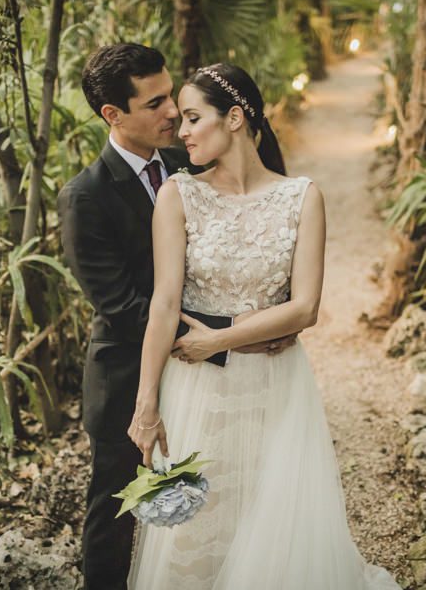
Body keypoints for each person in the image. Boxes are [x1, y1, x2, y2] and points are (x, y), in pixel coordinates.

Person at [126, 63, 403, 589]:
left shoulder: (301, 197)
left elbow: (305, 309)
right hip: (196, 388)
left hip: (277, 384)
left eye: (191, 118)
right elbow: (164, 305)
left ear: (234, 118)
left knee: (271, 518)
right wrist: (147, 404)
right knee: (196, 526)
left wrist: (219, 339)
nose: (179, 133)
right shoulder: (179, 195)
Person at [58, 44, 291, 590]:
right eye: (156, 101)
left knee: (216, 497)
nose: (172, 113)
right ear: (113, 115)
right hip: (126, 377)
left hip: (212, 376)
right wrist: (228, 334)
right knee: (117, 513)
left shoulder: (192, 161)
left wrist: (266, 318)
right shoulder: (84, 197)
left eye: (174, 98)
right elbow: (121, 307)